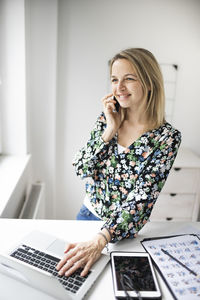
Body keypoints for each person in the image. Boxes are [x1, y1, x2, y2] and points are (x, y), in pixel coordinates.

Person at [56, 48, 181, 278]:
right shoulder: (107, 117)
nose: (119, 87)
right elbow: (81, 167)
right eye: (115, 80)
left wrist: (102, 238)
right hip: (87, 218)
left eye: (129, 79)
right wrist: (109, 130)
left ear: (149, 83)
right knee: (73, 281)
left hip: (122, 233)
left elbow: (142, 199)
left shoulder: (167, 138)